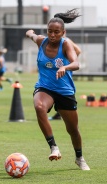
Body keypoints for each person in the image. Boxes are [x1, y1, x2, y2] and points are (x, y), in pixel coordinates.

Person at [26, 8, 90, 170]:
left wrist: (66, 68)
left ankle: (79, 158)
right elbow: (32, 35)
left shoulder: (66, 44)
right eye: (49, 31)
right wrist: (30, 33)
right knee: (39, 106)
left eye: (56, 32)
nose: (52, 35)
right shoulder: (42, 41)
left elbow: (76, 63)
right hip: (45, 87)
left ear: (63, 33)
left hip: (64, 90)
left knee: (72, 129)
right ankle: (54, 147)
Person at [49, 36, 82, 121]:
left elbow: (78, 50)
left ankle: (59, 114)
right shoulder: (52, 41)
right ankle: (58, 114)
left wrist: (68, 61)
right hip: (53, 74)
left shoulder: (66, 42)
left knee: (63, 93)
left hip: (64, 73)